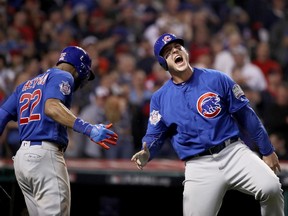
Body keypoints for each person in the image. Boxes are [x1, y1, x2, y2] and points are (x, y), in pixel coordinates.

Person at [131, 33, 284, 216]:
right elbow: (154, 135)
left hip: (233, 152)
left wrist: (267, 150)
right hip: (199, 166)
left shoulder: (217, 79)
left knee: (271, 187)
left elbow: (246, 115)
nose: (175, 51)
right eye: (168, 52)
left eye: (178, 47)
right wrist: (146, 152)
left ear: (186, 52)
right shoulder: (160, 98)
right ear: (163, 63)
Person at [0, 46, 118, 216]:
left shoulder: (25, 86)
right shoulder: (64, 75)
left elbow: (1, 117)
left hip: (22, 160)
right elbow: (52, 107)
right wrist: (88, 128)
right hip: (45, 157)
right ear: (81, 68)